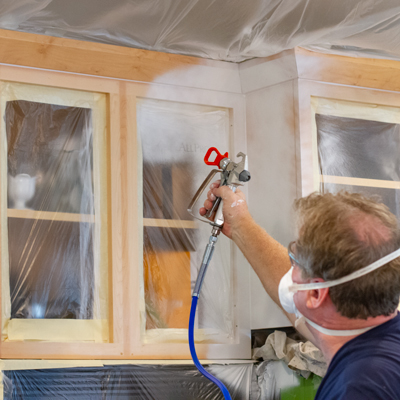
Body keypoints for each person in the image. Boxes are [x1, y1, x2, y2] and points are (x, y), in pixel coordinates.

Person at [200, 182, 400, 400]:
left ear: (315, 294)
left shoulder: (360, 389)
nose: (289, 269)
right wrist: (239, 224)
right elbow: (309, 308)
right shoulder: (379, 340)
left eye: (295, 260)